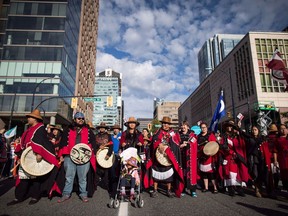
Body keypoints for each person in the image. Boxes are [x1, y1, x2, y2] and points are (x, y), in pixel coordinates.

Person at [7, 109, 59, 206]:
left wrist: (40, 153)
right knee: (23, 178)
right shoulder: (29, 129)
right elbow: (24, 142)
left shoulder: (40, 129)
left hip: (36, 157)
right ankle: (18, 197)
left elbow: (41, 142)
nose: (28, 118)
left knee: (36, 178)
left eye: (30, 117)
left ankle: (35, 196)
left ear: (35, 119)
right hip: (26, 157)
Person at [57, 112, 97, 203]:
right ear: (74, 119)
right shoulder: (68, 130)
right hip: (69, 156)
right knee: (69, 177)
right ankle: (66, 193)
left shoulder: (88, 131)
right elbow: (62, 142)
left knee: (82, 178)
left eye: (82, 118)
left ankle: (83, 194)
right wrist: (61, 155)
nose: (81, 120)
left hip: (84, 157)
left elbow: (93, 143)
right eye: (79, 118)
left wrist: (91, 152)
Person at [144, 116, 184, 198]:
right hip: (157, 157)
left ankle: (168, 190)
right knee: (156, 174)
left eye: (167, 124)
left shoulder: (173, 134)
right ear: (162, 124)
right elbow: (154, 141)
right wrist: (159, 144)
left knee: (169, 176)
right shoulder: (157, 132)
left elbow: (176, 144)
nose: (166, 125)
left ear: (170, 125)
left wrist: (168, 148)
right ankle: (155, 190)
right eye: (164, 123)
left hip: (168, 158)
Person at [219, 120, 249, 197]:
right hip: (229, 157)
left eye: (231, 126)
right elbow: (223, 147)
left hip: (237, 158)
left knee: (238, 173)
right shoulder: (224, 136)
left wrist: (239, 128)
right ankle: (231, 189)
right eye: (228, 126)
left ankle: (239, 188)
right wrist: (231, 152)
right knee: (230, 174)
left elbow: (243, 142)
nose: (229, 127)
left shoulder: (236, 136)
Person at [242, 125, 271, 197]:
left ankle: (265, 190)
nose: (254, 131)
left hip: (262, 158)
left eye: (255, 130)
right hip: (254, 158)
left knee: (262, 174)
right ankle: (257, 190)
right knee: (255, 174)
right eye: (253, 130)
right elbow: (243, 135)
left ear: (258, 130)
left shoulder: (262, 138)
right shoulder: (250, 138)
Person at [197, 122, 218, 193]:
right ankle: (206, 187)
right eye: (202, 127)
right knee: (204, 174)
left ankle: (215, 188)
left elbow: (214, 145)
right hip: (202, 156)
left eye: (204, 127)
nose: (203, 129)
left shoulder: (210, 135)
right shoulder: (198, 136)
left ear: (207, 127)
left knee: (211, 174)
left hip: (209, 156)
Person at [179, 121, 198, 197]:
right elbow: (176, 144)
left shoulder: (192, 135)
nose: (183, 127)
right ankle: (183, 189)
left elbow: (195, 144)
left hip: (190, 158)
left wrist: (187, 144)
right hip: (181, 157)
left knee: (191, 173)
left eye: (184, 126)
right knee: (182, 173)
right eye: (182, 126)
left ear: (187, 126)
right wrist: (181, 145)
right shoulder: (178, 135)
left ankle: (193, 190)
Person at [94, 122, 113, 194]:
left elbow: (111, 145)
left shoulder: (109, 136)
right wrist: (98, 147)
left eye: (103, 128)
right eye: (101, 127)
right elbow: (93, 145)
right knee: (96, 170)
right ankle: (95, 185)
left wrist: (109, 154)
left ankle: (106, 185)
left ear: (105, 129)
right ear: (99, 129)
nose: (102, 129)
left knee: (106, 171)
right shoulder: (96, 136)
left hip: (105, 154)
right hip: (98, 155)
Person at [274, 124, 288, 191]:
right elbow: (275, 151)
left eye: (284, 128)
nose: (283, 130)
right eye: (281, 129)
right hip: (283, 159)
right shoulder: (278, 140)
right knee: (285, 175)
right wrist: (275, 160)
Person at [267, 124, 280, 191]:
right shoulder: (277, 137)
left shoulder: (268, 137)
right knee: (276, 172)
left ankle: (272, 185)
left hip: (269, 156)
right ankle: (276, 185)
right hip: (277, 156)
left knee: (272, 172)